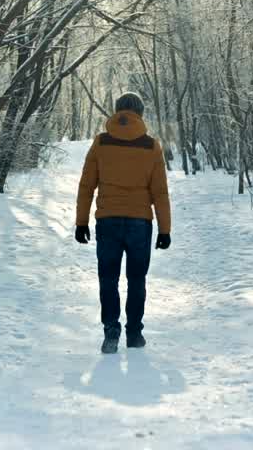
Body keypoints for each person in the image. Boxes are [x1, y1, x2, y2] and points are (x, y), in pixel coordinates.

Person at [74, 92, 172, 354]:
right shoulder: (151, 146)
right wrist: (165, 229)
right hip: (140, 223)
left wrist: (81, 222)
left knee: (108, 278)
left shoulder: (101, 142)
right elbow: (160, 191)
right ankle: (135, 333)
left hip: (107, 222)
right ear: (140, 113)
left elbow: (86, 186)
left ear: (117, 112)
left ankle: (111, 331)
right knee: (137, 279)